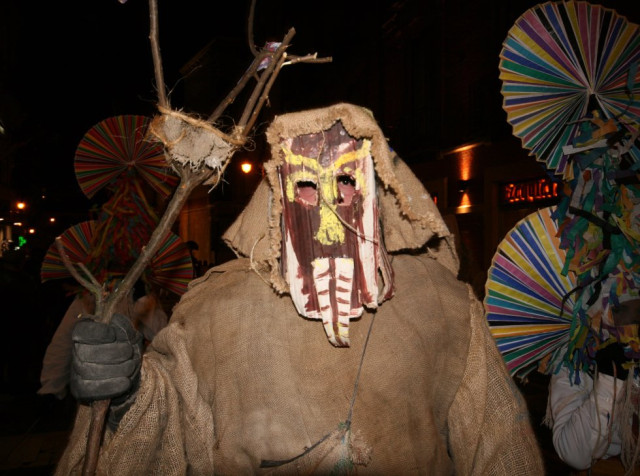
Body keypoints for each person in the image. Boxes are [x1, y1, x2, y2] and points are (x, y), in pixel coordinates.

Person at [56, 103, 543, 474]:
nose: (328, 207)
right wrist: (124, 393)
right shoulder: (213, 312)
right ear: (280, 193)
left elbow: (501, 444)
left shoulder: (445, 306)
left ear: (375, 187)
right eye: (307, 185)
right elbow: (170, 425)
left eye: (347, 181)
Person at [547, 297, 640, 472]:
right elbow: (575, 455)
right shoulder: (574, 360)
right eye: (620, 309)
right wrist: (609, 380)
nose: (635, 319)